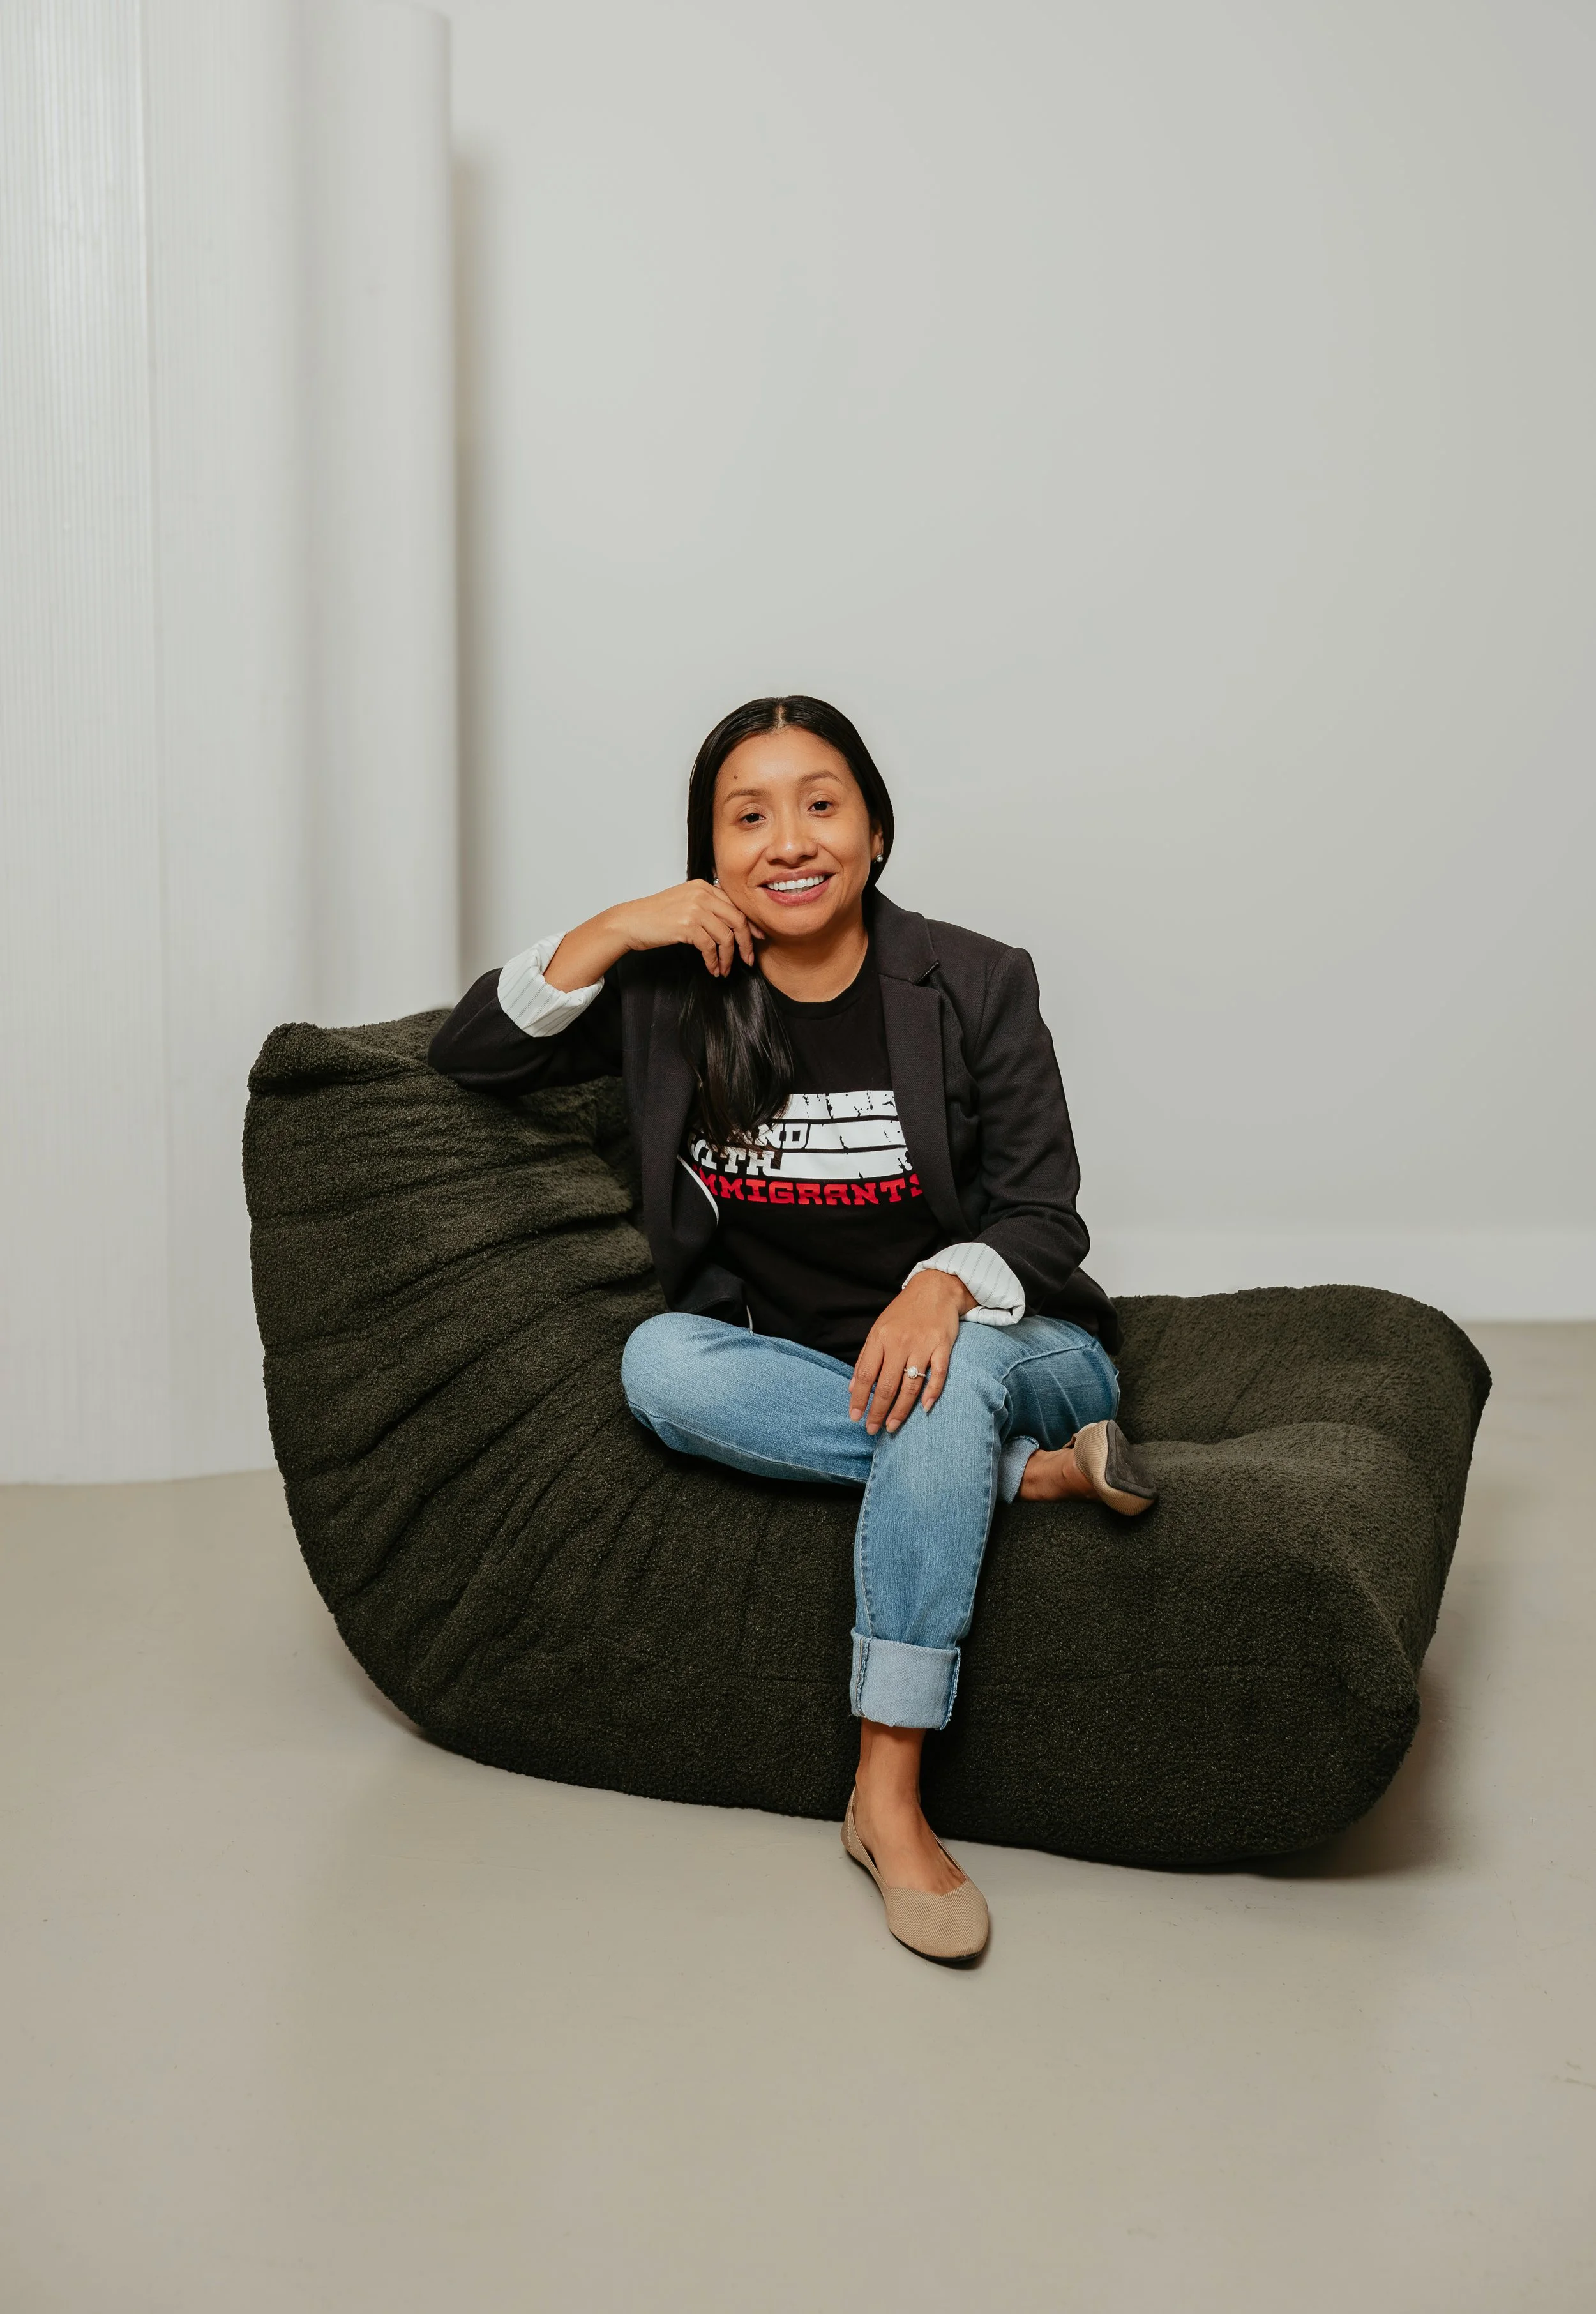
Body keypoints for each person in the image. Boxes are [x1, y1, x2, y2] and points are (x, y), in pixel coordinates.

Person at [430, 695, 1156, 1960]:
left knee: (944, 1371)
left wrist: (939, 1285)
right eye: (747, 815)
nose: (789, 839)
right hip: (800, 1371)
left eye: (820, 803)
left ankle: (886, 1791)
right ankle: (1014, 1484)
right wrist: (611, 930)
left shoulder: (974, 980)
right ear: (710, 853)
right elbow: (469, 1054)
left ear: (873, 829)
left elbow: (1046, 1217)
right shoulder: (669, 992)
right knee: (657, 1363)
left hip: (1018, 1352)